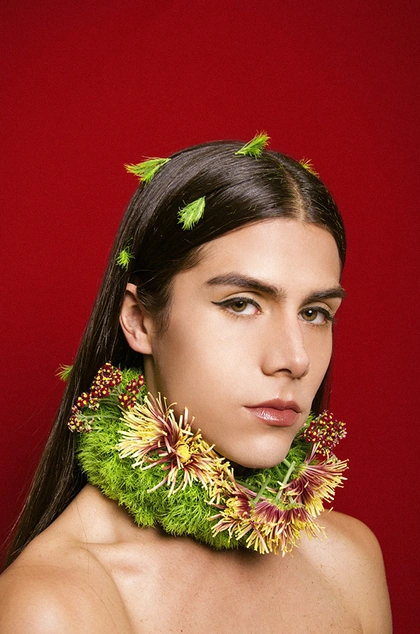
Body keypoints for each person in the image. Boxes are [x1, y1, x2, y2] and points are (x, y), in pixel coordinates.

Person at [0, 136, 391, 633]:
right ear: (140, 321)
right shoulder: (53, 605)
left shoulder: (348, 563)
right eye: (241, 303)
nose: (295, 359)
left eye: (315, 313)